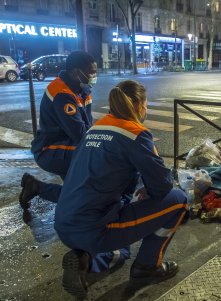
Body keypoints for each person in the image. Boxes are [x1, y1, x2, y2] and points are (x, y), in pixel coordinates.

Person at [54, 80, 188, 299]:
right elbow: (163, 185)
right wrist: (150, 192)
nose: (146, 109)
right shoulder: (135, 133)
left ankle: (85, 260)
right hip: (94, 228)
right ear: (138, 105)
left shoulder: (95, 129)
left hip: (64, 224)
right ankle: (147, 267)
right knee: (179, 200)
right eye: (146, 104)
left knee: (122, 250)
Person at [19, 51, 97, 210]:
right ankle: (37, 188)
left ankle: (35, 187)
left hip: (66, 147)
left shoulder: (81, 89)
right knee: (86, 190)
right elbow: (81, 135)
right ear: (76, 73)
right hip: (50, 150)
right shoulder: (62, 94)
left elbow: (87, 126)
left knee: (83, 194)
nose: (94, 76)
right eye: (92, 73)